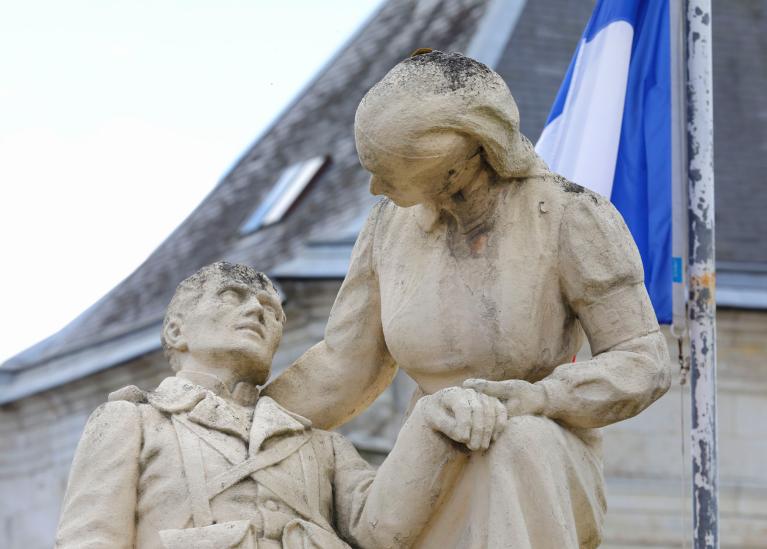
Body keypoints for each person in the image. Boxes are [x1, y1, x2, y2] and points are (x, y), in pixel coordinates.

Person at [264, 51, 673, 548]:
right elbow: (345, 365)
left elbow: (642, 358)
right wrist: (243, 419)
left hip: (539, 451)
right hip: (431, 451)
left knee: (510, 441)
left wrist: (541, 398)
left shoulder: (571, 215)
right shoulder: (385, 229)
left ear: (458, 162)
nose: (376, 188)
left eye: (391, 173)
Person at [55, 262, 508, 549]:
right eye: (232, 296)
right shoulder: (133, 420)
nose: (257, 310)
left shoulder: (319, 444)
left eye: (272, 309)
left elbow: (382, 531)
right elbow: (90, 538)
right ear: (177, 332)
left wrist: (429, 425)